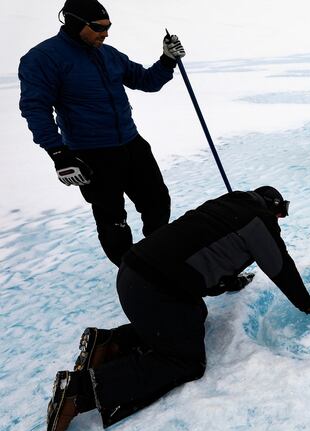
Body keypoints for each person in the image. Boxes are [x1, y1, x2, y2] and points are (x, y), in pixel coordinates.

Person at [45, 186, 310, 431]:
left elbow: (203, 249)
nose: (279, 222)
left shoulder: (227, 205)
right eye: (280, 216)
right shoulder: (260, 221)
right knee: (186, 362)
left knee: (194, 316)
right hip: (154, 290)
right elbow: (279, 266)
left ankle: (109, 344)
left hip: (135, 273)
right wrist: (307, 303)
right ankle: (81, 390)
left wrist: (230, 280)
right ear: (274, 209)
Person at [18, 0, 185, 266]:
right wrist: (59, 154)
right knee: (112, 219)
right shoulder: (43, 58)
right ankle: (133, 273)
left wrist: (167, 61)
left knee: (157, 203)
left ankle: (159, 259)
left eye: (108, 27)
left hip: (131, 144)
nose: (105, 34)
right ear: (74, 22)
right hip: (92, 153)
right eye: (98, 28)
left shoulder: (108, 54)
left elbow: (146, 81)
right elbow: (35, 108)